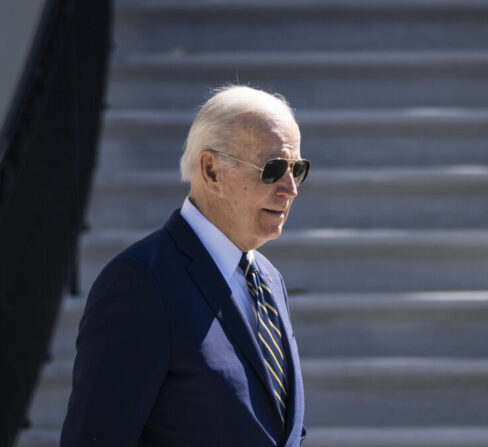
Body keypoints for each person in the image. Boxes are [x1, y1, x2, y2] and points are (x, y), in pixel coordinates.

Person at [61, 85, 309, 446]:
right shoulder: (140, 283)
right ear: (211, 171)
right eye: (272, 169)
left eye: (297, 169)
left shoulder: (269, 279)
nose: (290, 189)